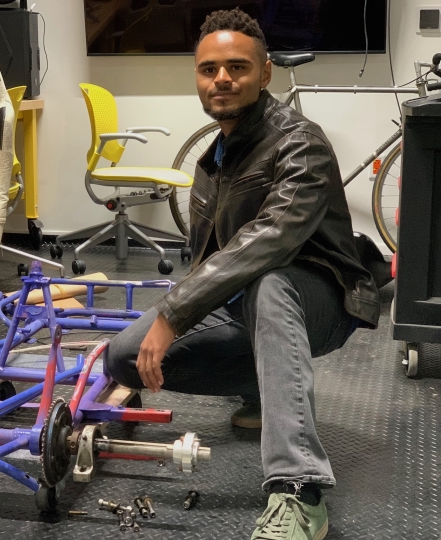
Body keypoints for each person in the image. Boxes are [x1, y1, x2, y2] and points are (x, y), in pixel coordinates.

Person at [105, 8, 380, 540]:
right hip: (246, 303)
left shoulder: (301, 142)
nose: (222, 79)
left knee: (271, 281)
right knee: (124, 360)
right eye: (209, 70)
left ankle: (299, 490)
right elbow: (209, 257)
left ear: (265, 73)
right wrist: (172, 316)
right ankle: (272, 384)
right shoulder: (212, 159)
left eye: (237, 67)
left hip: (320, 296)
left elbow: (273, 239)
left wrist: (173, 314)